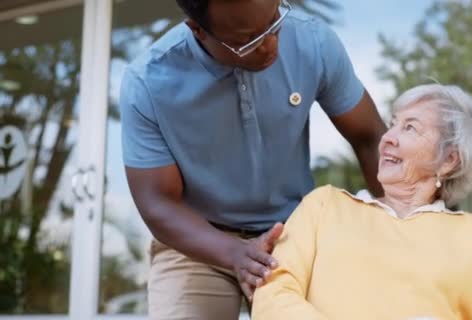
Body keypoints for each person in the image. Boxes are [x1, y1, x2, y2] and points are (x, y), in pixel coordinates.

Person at [119, 0, 386, 318]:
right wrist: (234, 253)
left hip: (292, 232)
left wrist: (405, 226)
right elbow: (158, 203)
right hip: (198, 242)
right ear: (198, 31)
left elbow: (371, 139)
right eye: (249, 39)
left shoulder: (313, 41)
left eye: (275, 21)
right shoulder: (148, 81)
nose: (271, 44)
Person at [252, 84, 472, 320]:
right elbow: (274, 295)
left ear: (448, 161)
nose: (388, 137)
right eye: (393, 123)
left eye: (409, 128)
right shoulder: (323, 206)